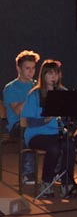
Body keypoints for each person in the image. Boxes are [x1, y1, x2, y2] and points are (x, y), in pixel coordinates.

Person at [21, 59, 77, 198]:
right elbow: (28, 122)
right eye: (50, 74)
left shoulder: (63, 93)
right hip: (36, 134)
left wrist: (69, 115)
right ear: (43, 75)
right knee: (54, 148)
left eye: (56, 74)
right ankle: (46, 182)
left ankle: (66, 183)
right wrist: (46, 119)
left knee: (70, 145)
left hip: (56, 133)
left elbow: (70, 118)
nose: (53, 77)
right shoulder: (35, 94)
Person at [4, 50, 40, 184]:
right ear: (18, 68)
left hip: (36, 122)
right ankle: (28, 173)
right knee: (27, 131)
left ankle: (57, 172)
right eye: (27, 68)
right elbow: (18, 111)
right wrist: (32, 93)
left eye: (33, 68)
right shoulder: (11, 88)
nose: (31, 72)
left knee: (58, 132)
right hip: (17, 125)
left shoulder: (36, 85)